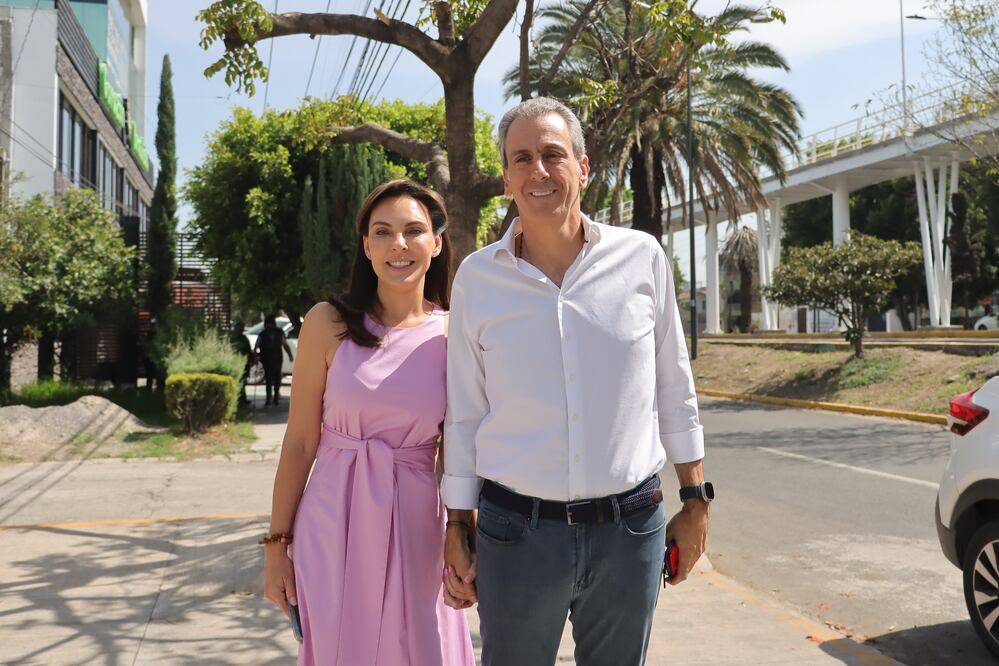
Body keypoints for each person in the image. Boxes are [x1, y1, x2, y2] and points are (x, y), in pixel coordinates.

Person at [441, 97, 712, 666]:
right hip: (514, 535)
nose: (538, 170)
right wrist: (457, 523)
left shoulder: (641, 258)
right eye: (521, 158)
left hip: (629, 534)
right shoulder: (477, 279)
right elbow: (465, 411)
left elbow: (673, 385)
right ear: (507, 178)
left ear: (583, 168)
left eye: (552, 154)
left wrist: (695, 500)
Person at [262, 179, 475, 666]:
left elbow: (458, 451)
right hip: (330, 523)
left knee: (423, 650)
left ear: (436, 243)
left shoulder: (454, 332)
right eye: (383, 232)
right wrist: (276, 547)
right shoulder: (327, 323)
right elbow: (299, 443)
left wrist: (463, 534)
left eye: (413, 230)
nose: (398, 244)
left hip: (417, 525)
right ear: (366, 246)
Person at [254, 313, 293, 406]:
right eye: (268, 324)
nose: (269, 326)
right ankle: (268, 399)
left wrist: (290, 355)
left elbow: (285, 344)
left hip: (277, 358)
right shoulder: (262, 334)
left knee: (277, 378)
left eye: (270, 324)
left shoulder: (279, 332)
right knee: (268, 379)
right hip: (266, 359)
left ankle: (275, 398)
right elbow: (256, 346)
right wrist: (255, 357)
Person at [229, 320, 254, 405]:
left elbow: (248, 350)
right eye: (240, 328)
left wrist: (252, 359)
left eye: (242, 328)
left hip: (243, 363)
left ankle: (242, 399)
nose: (241, 330)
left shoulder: (244, 338)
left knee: (242, 381)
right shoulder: (231, 337)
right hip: (233, 362)